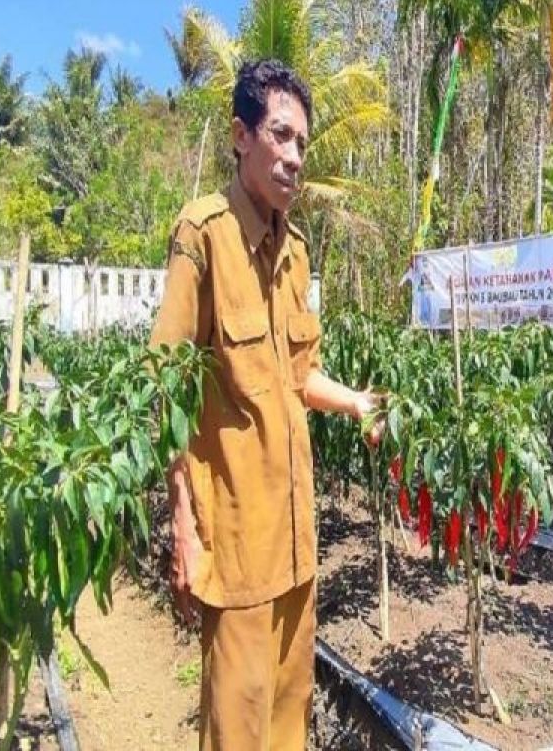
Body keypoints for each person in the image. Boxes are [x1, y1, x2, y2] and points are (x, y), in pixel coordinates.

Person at [149, 59, 383, 751]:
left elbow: (298, 374)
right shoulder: (203, 235)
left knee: (288, 720)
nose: (294, 157)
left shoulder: (297, 253)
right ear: (241, 136)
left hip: (295, 546)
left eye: (303, 143)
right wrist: (184, 531)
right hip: (240, 546)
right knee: (237, 729)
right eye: (281, 135)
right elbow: (163, 391)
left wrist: (359, 404)